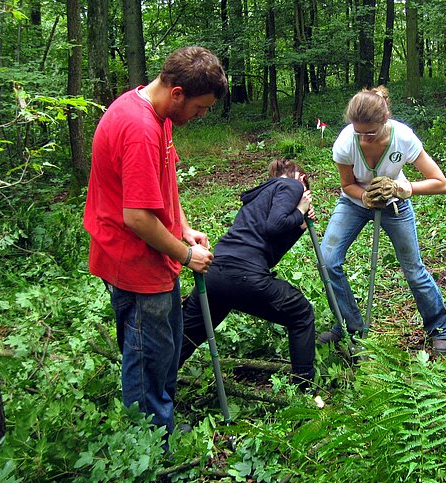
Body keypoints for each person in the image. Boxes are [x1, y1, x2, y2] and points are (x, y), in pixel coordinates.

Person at [84, 46, 227, 436]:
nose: (201, 115)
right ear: (177, 93)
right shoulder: (140, 129)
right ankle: (149, 446)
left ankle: (161, 425)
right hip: (133, 264)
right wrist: (186, 254)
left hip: (156, 260)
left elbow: (165, 185)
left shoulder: (159, 116)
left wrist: (183, 228)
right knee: (147, 359)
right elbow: (137, 217)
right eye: (199, 108)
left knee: (165, 349)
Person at [318, 86, 446, 354]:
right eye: (359, 132)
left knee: (413, 270)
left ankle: (440, 329)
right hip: (355, 203)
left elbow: (441, 183)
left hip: (395, 204)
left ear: (385, 119)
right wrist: (365, 196)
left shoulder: (403, 138)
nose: (364, 138)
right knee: (328, 259)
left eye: (370, 132)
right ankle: (349, 326)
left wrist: (404, 189)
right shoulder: (345, 142)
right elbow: (347, 185)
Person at [180, 159, 316, 389]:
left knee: (187, 336)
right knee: (301, 313)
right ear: (302, 179)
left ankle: (151, 389)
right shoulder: (292, 185)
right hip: (244, 276)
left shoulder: (262, 196)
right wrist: (301, 209)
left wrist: (299, 225)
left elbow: (269, 252)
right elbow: (276, 225)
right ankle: (304, 389)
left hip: (215, 272)